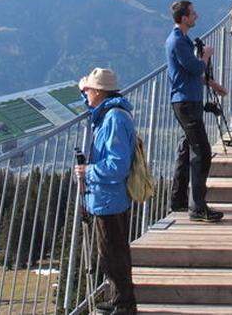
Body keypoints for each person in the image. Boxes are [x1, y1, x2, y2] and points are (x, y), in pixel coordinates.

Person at [73, 67, 137, 315]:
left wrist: (87, 172)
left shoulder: (114, 119)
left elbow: (116, 166)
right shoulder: (109, 111)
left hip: (108, 198)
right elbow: (93, 107)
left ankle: (124, 305)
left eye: (89, 90)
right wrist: (82, 91)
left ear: (99, 91)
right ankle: (120, 300)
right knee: (112, 251)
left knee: (113, 254)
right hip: (110, 198)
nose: (87, 93)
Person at [166, 0, 228, 222]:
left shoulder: (181, 39)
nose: (196, 16)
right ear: (184, 18)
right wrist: (206, 55)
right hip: (186, 102)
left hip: (186, 99)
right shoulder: (178, 42)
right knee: (201, 152)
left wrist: (211, 84)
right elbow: (194, 67)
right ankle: (198, 207)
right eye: (193, 14)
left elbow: (189, 72)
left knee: (186, 148)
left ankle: (179, 199)